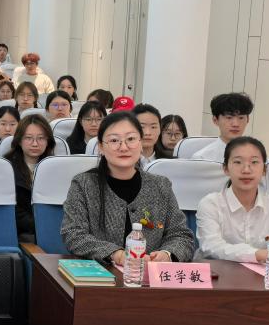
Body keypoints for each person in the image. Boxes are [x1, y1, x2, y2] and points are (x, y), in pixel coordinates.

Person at [61, 111, 196, 264]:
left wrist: (167, 254)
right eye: (114, 140)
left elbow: (181, 235)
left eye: (131, 139)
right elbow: (73, 234)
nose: (124, 147)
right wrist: (116, 255)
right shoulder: (83, 184)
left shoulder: (160, 185)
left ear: (141, 143)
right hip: (102, 273)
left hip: (150, 275)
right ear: (101, 147)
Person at [6, 115, 55, 242]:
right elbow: (12, 211)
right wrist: (41, 226)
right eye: (28, 138)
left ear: (48, 141)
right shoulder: (6, 167)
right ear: (19, 140)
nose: (35, 144)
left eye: (41, 138)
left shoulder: (56, 167)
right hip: (20, 235)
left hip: (54, 231)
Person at [193, 92, 254, 162]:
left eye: (241, 118)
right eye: (229, 117)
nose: (236, 124)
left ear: (248, 120)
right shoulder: (202, 158)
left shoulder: (257, 156)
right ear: (215, 120)